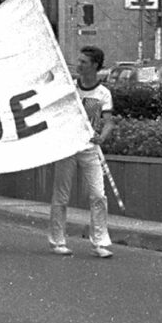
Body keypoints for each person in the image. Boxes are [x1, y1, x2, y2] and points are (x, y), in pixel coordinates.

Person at [49, 45, 118, 258]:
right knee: (61, 195)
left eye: (83, 62)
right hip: (68, 147)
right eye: (78, 61)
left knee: (98, 194)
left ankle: (99, 242)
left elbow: (108, 122)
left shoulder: (103, 93)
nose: (78, 65)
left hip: (89, 147)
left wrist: (103, 136)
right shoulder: (70, 88)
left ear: (95, 65)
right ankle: (58, 241)